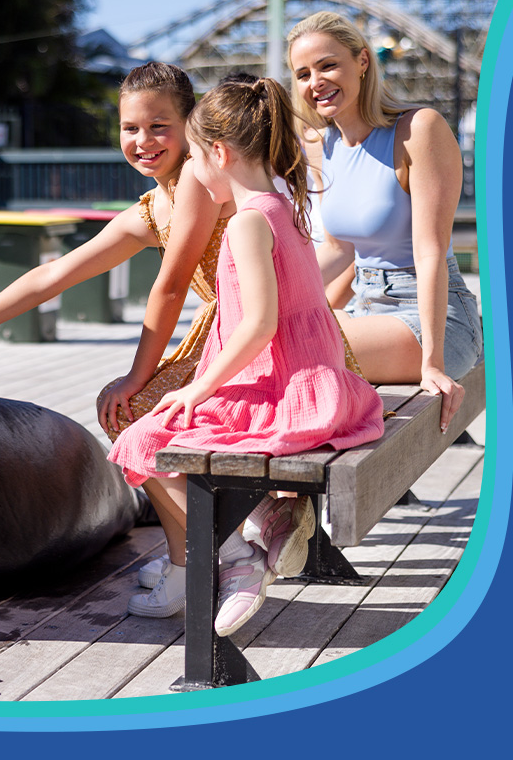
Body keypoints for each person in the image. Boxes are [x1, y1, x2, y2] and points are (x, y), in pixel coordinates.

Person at [0, 63, 238, 619]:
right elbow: (57, 273)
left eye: (159, 126)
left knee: (134, 406)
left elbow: (168, 289)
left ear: (192, 123)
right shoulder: (153, 206)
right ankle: (194, 549)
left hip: (252, 333)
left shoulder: (200, 177)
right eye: (130, 128)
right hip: (224, 328)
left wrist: (139, 375)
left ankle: (210, 555)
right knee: (127, 412)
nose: (143, 142)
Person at [106, 77, 385, 636]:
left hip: (287, 390)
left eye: (194, 158)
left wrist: (199, 386)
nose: (191, 174)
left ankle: (234, 558)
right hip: (321, 382)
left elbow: (258, 324)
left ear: (219, 153)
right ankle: (238, 534)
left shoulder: (246, 223)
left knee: (139, 438)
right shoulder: (283, 201)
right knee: (168, 430)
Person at [287, 11, 484, 434]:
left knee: (294, 349)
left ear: (362, 61)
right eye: (303, 73)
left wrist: (431, 362)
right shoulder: (325, 145)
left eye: (327, 65)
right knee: (265, 333)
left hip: (435, 318)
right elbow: (339, 249)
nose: (314, 81)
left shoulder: (418, 129)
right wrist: (265, 302)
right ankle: (284, 491)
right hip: (367, 308)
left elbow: (429, 251)